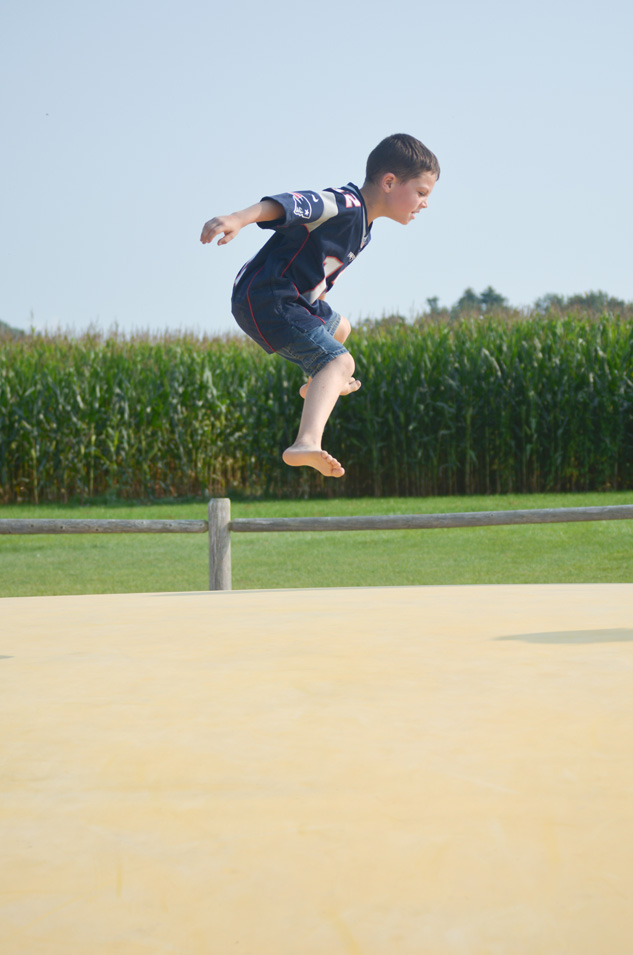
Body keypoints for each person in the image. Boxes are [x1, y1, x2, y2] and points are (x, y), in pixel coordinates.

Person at [200, 133, 440, 478]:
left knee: (341, 328)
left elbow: (322, 275)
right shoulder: (343, 204)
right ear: (389, 182)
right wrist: (239, 218)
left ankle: (317, 381)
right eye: (421, 193)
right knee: (340, 361)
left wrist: (319, 313)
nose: (425, 204)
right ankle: (306, 442)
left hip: (290, 299)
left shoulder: (363, 229)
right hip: (268, 297)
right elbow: (289, 204)